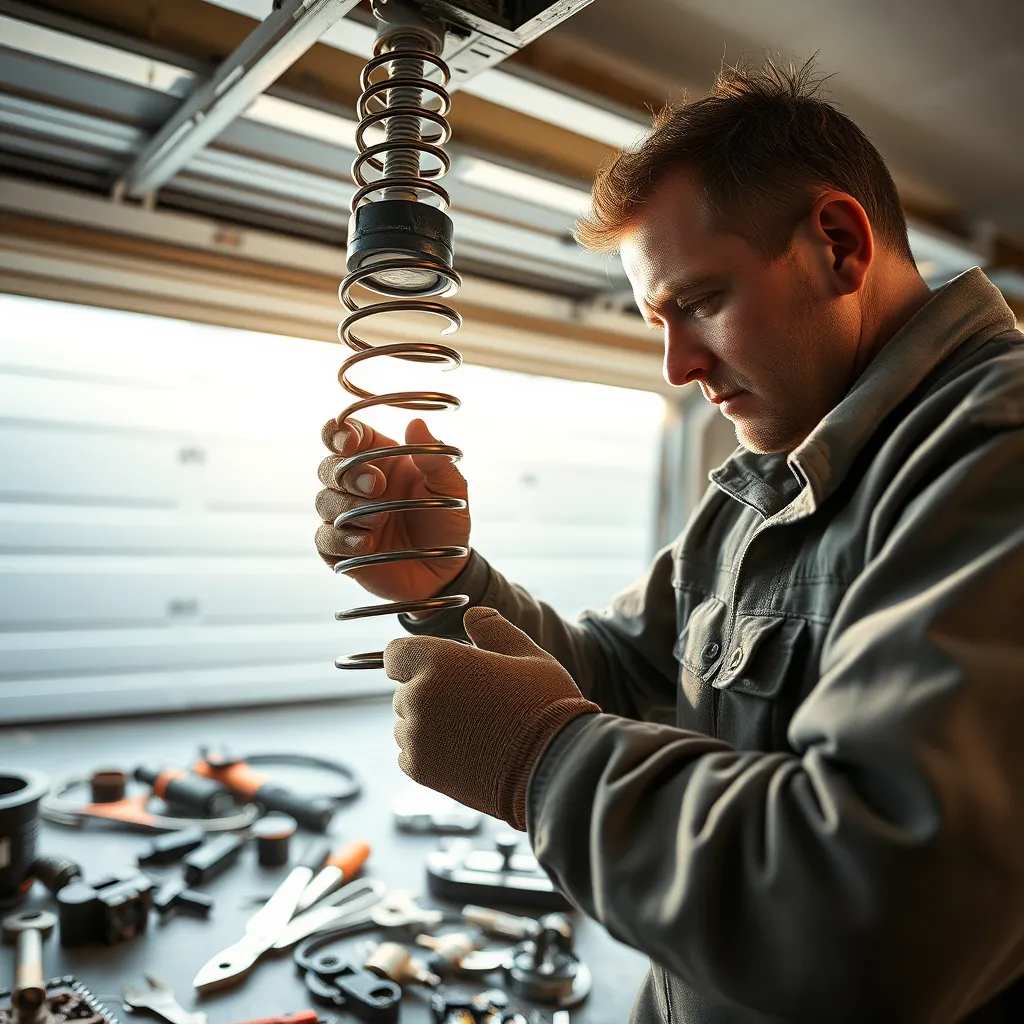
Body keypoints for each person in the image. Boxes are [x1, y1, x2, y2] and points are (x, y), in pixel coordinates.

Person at [314, 60, 1024, 1023]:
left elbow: (884, 917)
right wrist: (448, 580)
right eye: (657, 320)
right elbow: (627, 676)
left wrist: (541, 761)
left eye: (697, 301)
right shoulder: (766, 482)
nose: (677, 366)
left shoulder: (995, 454)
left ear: (839, 246)